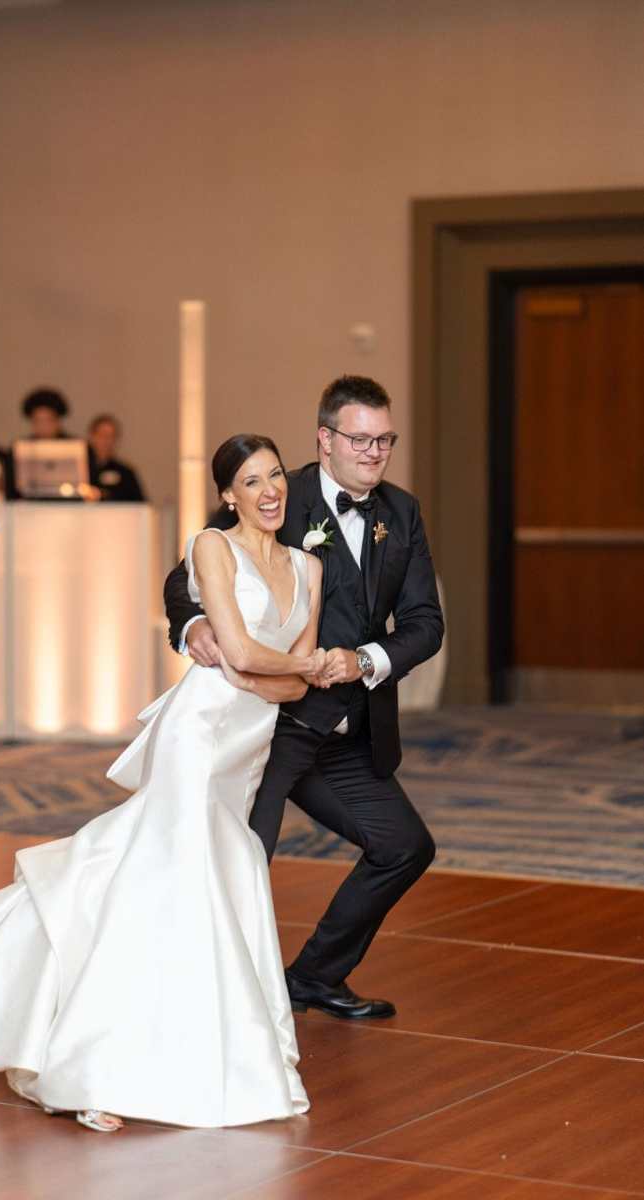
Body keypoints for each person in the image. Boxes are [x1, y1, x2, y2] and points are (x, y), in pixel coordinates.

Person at [0, 434, 325, 1132]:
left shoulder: (307, 567)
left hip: (245, 749)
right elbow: (248, 654)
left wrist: (267, 672)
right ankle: (97, 1060)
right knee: (180, 882)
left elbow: (287, 679)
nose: (268, 490)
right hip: (198, 734)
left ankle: (178, 1045)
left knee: (186, 875)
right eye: (250, 481)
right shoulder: (211, 548)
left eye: (274, 475)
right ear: (228, 495)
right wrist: (267, 669)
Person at [165, 375, 443, 1022]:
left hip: (347, 727)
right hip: (268, 724)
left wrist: (367, 660)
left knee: (403, 846)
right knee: (241, 862)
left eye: (384, 440)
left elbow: (425, 622)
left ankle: (313, 977)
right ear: (325, 439)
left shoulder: (400, 513)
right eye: (360, 439)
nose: (374, 452)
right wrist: (195, 625)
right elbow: (188, 576)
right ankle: (208, 1009)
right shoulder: (273, 493)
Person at [87, 413, 146, 501]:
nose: (106, 440)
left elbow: (139, 502)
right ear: (92, 436)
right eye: (102, 435)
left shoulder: (125, 472)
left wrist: (102, 494)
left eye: (111, 436)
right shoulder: (81, 468)